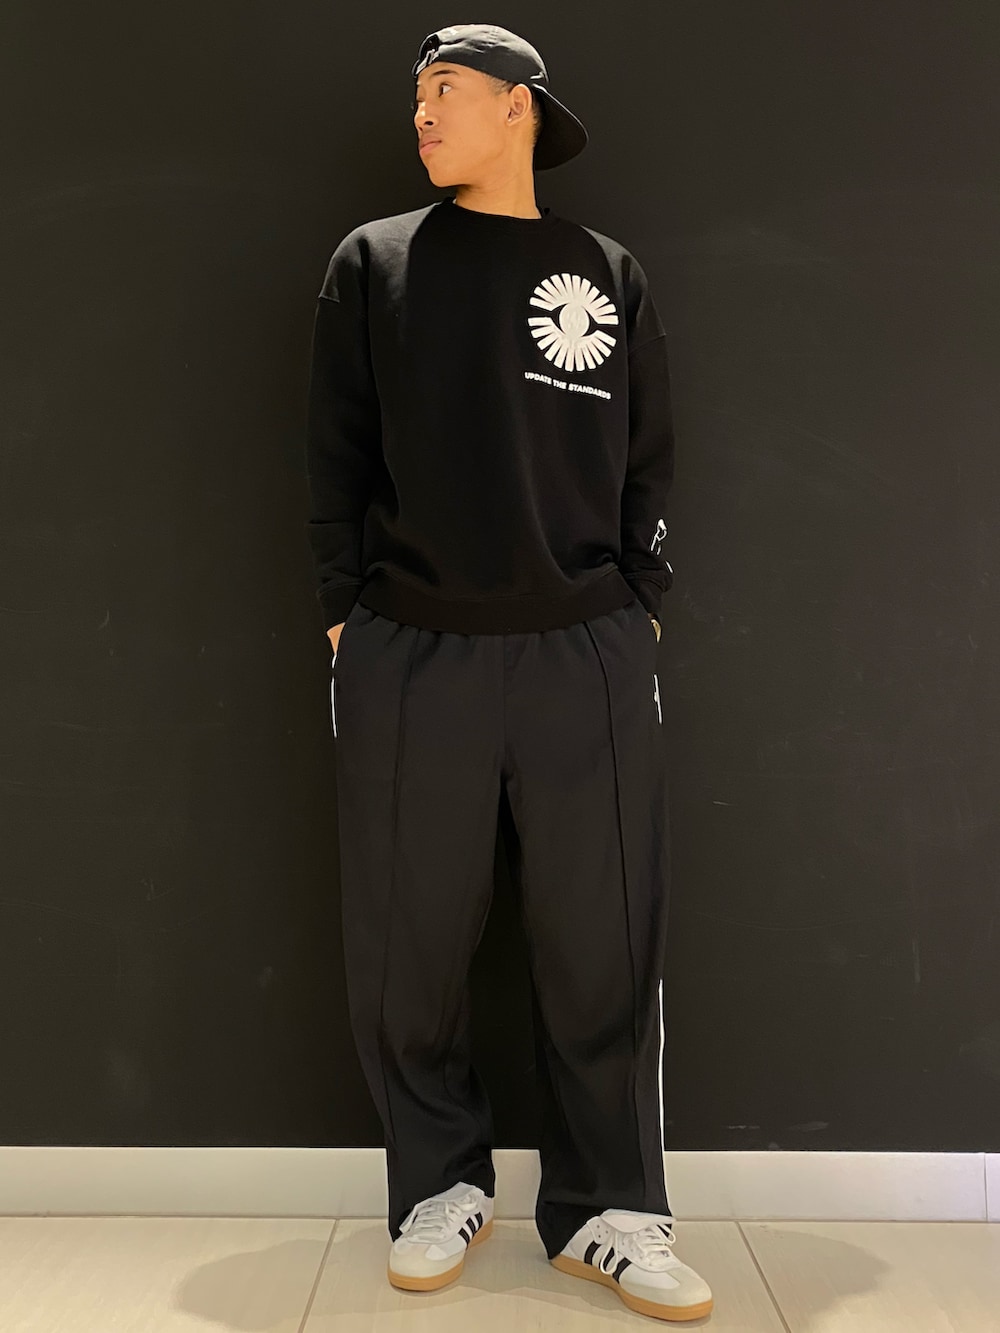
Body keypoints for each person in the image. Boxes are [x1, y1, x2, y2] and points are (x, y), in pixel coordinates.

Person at [303, 22, 713, 1324]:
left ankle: (609, 1210)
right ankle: (437, 1184)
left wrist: (641, 604)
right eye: (416, 95)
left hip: (585, 647)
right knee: (407, 943)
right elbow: (334, 452)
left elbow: (650, 456)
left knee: (606, 938)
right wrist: (342, 615)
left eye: (447, 92)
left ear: (518, 108)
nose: (421, 115)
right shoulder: (374, 262)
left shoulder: (605, 271)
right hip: (410, 646)